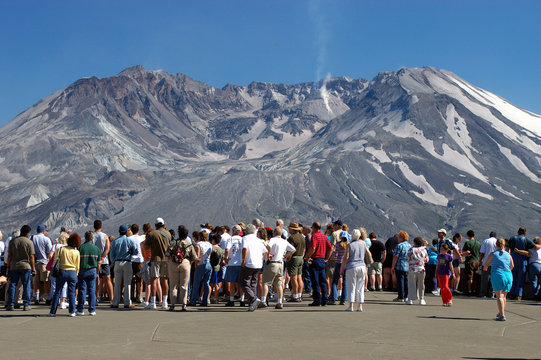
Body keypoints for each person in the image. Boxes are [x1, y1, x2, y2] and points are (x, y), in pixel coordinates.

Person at [259, 228, 295, 309]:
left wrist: (269, 254)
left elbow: (268, 246)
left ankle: (263, 300)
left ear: (274, 232)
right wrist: (285, 256)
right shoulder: (284, 241)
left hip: (272, 263)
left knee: (266, 282)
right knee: (279, 284)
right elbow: (293, 249)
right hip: (280, 264)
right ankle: (279, 302)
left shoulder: (273, 239)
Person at [48, 233, 81, 317]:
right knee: (71, 292)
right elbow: (77, 266)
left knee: (57, 291)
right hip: (72, 272)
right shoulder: (76, 252)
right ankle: (72, 311)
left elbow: (56, 260)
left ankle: (53, 311)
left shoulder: (62, 249)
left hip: (62, 271)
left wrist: (54, 270)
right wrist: (76, 274)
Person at [5, 225, 35, 311]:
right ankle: (26, 304)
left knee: (13, 284)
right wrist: (33, 268)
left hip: (14, 266)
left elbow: (10, 255)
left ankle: (10, 304)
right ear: (27, 233)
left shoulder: (13, 241)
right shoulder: (29, 242)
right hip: (26, 266)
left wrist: (8, 266)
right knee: (26, 285)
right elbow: (32, 257)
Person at [483, 238, 514, 321]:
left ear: (496, 245)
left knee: (499, 296)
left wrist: (485, 268)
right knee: (504, 296)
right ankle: (501, 312)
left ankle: (502, 315)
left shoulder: (493, 254)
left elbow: (486, 264)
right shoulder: (508, 254)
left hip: (498, 275)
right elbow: (512, 266)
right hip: (508, 275)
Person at [166, 225, 196, 311]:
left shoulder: (173, 243)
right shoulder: (189, 244)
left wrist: (169, 263)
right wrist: (189, 263)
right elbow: (194, 257)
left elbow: (167, 254)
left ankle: (172, 304)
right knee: (184, 285)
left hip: (173, 263)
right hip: (185, 263)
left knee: (173, 285)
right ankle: (184, 304)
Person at [144, 218, 172, 309]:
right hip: (166, 260)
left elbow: (146, 247)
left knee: (154, 280)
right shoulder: (168, 234)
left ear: (155, 225)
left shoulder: (152, 234)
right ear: (163, 224)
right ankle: (164, 302)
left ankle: (153, 302)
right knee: (164, 280)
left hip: (155, 259)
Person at [240, 224, 268, 311]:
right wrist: (261, 259)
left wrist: (243, 260)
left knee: (243, 282)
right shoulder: (258, 240)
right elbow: (266, 251)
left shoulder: (245, 238)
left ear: (246, 231)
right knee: (253, 283)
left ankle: (253, 299)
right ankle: (252, 303)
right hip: (258, 264)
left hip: (249, 263)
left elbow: (244, 249)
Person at [109, 224, 138, 309]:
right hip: (127, 262)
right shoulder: (130, 240)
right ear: (126, 232)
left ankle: (115, 302)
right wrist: (130, 252)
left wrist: (114, 262)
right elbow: (135, 252)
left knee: (117, 283)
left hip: (118, 262)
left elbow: (112, 254)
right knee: (127, 283)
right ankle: (127, 302)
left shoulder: (115, 241)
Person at [304, 222, 332, 306]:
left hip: (315, 259)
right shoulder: (324, 236)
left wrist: (307, 256)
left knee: (315, 281)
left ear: (314, 228)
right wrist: (327, 258)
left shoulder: (314, 236)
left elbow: (313, 248)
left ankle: (317, 299)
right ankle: (325, 299)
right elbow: (330, 248)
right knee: (323, 281)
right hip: (322, 260)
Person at [341, 229, 367, 312]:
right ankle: (360, 306)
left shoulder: (350, 245)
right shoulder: (363, 244)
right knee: (360, 286)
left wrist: (342, 267)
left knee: (351, 286)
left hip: (352, 267)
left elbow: (346, 257)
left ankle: (351, 305)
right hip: (362, 266)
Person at [76, 231, 101, 316]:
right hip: (93, 270)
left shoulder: (80, 248)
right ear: (92, 238)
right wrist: (97, 272)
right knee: (92, 290)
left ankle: (80, 309)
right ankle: (92, 309)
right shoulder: (96, 249)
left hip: (82, 270)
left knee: (82, 290)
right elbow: (99, 262)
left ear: (85, 237)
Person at [507, 227, 535, 301]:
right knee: (521, 279)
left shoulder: (512, 238)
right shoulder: (527, 240)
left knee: (512, 278)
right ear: (525, 233)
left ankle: (511, 293)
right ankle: (518, 295)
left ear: (518, 232)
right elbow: (534, 247)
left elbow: (507, 248)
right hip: (522, 261)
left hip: (512, 260)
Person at [189, 231, 212, 306]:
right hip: (208, 264)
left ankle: (193, 301)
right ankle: (205, 300)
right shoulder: (209, 244)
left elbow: (197, 256)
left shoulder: (198, 244)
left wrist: (195, 264)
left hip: (201, 264)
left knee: (196, 283)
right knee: (206, 283)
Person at [31, 224, 53, 304]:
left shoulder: (32, 238)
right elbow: (49, 252)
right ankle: (48, 298)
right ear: (44, 231)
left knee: (36, 281)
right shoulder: (46, 239)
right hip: (44, 262)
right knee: (46, 281)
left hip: (35, 262)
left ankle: (36, 297)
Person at [93, 220, 113, 304]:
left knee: (95, 280)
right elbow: (107, 249)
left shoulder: (92, 236)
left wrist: (97, 259)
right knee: (108, 279)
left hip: (94, 261)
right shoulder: (105, 236)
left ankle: (95, 298)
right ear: (101, 226)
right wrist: (101, 257)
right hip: (104, 261)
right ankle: (112, 299)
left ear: (94, 227)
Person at [224, 225, 244, 306]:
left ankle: (231, 300)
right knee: (241, 283)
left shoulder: (230, 239)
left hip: (232, 263)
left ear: (233, 231)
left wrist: (226, 258)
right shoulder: (242, 239)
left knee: (232, 283)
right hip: (240, 263)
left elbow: (227, 249)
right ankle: (242, 300)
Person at [286, 222, 305, 303]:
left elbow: (291, 250)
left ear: (292, 229)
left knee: (293, 277)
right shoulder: (302, 237)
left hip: (294, 258)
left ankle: (295, 295)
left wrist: (287, 258)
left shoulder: (291, 238)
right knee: (299, 277)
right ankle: (299, 295)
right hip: (301, 257)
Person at [406, 237, 428, 305]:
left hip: (412, 269)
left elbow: (407, 259)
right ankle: (421, 299)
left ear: (414, 242)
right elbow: (427, 260)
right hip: (421, 269)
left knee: (411, 284)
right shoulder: (424, 250)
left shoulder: (411, 249)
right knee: (421, 284)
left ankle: (410, 299)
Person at [391, 231, 411, 302]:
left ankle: (400, 296)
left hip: (400, 265)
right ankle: (406, 296)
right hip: (407, 266)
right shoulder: (409, 245)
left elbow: (395, 256)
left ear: (401, 238)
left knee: (400, 281)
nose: (397, 238)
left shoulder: (399, 246)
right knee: (406, 281)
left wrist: (393, 266)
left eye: (399, 237)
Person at [330, 230, 349, 305]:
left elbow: (335, 254)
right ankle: (343, 299)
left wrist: (333, 252)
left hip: (338, 264)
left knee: (335, 281)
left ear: (340, 236)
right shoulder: (349, 245)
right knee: (345, 281)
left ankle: (333, 298)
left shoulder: (338, 244)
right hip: (346, 264)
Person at [129, 224, 145, 304]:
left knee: (131, 279)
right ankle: (139, 296)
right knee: (139, 280)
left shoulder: (129, 239)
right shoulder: (141, 238)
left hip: (131, 260)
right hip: (140, 260)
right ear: (138, 230)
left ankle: (131, 296)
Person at [461, 230, 481, 296]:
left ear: (468, 235)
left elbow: (463, 253)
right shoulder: (478, 243)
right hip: (477, 261)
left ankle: (469, 291)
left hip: (469, 262)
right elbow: (480, 253)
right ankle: (475, 290)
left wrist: (466, 253)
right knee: (475, 277)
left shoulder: (467, 243)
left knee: (470, 277)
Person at [479, 232, 498, 298]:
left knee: (484, 278)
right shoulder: (497, 241)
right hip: (495, 263)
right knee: (493, 279)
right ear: (495, 236)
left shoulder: (486, 241)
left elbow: (482, 253)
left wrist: (480, 261)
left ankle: (483, 293)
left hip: (486, 263)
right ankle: (491, 294)